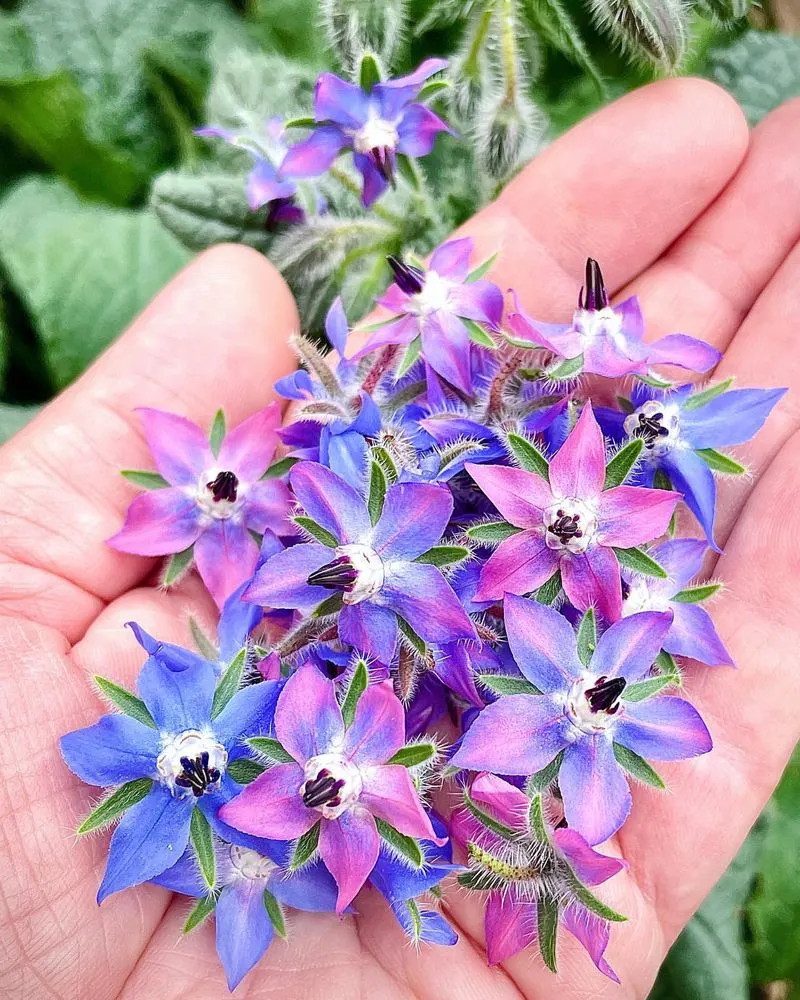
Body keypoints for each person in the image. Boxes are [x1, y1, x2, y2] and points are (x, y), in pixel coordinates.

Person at [1, 76, 799, 1000]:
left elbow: (462, 602)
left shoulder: (519, 585)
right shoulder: (324, 663)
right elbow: (375, 642)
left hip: (453, 588)